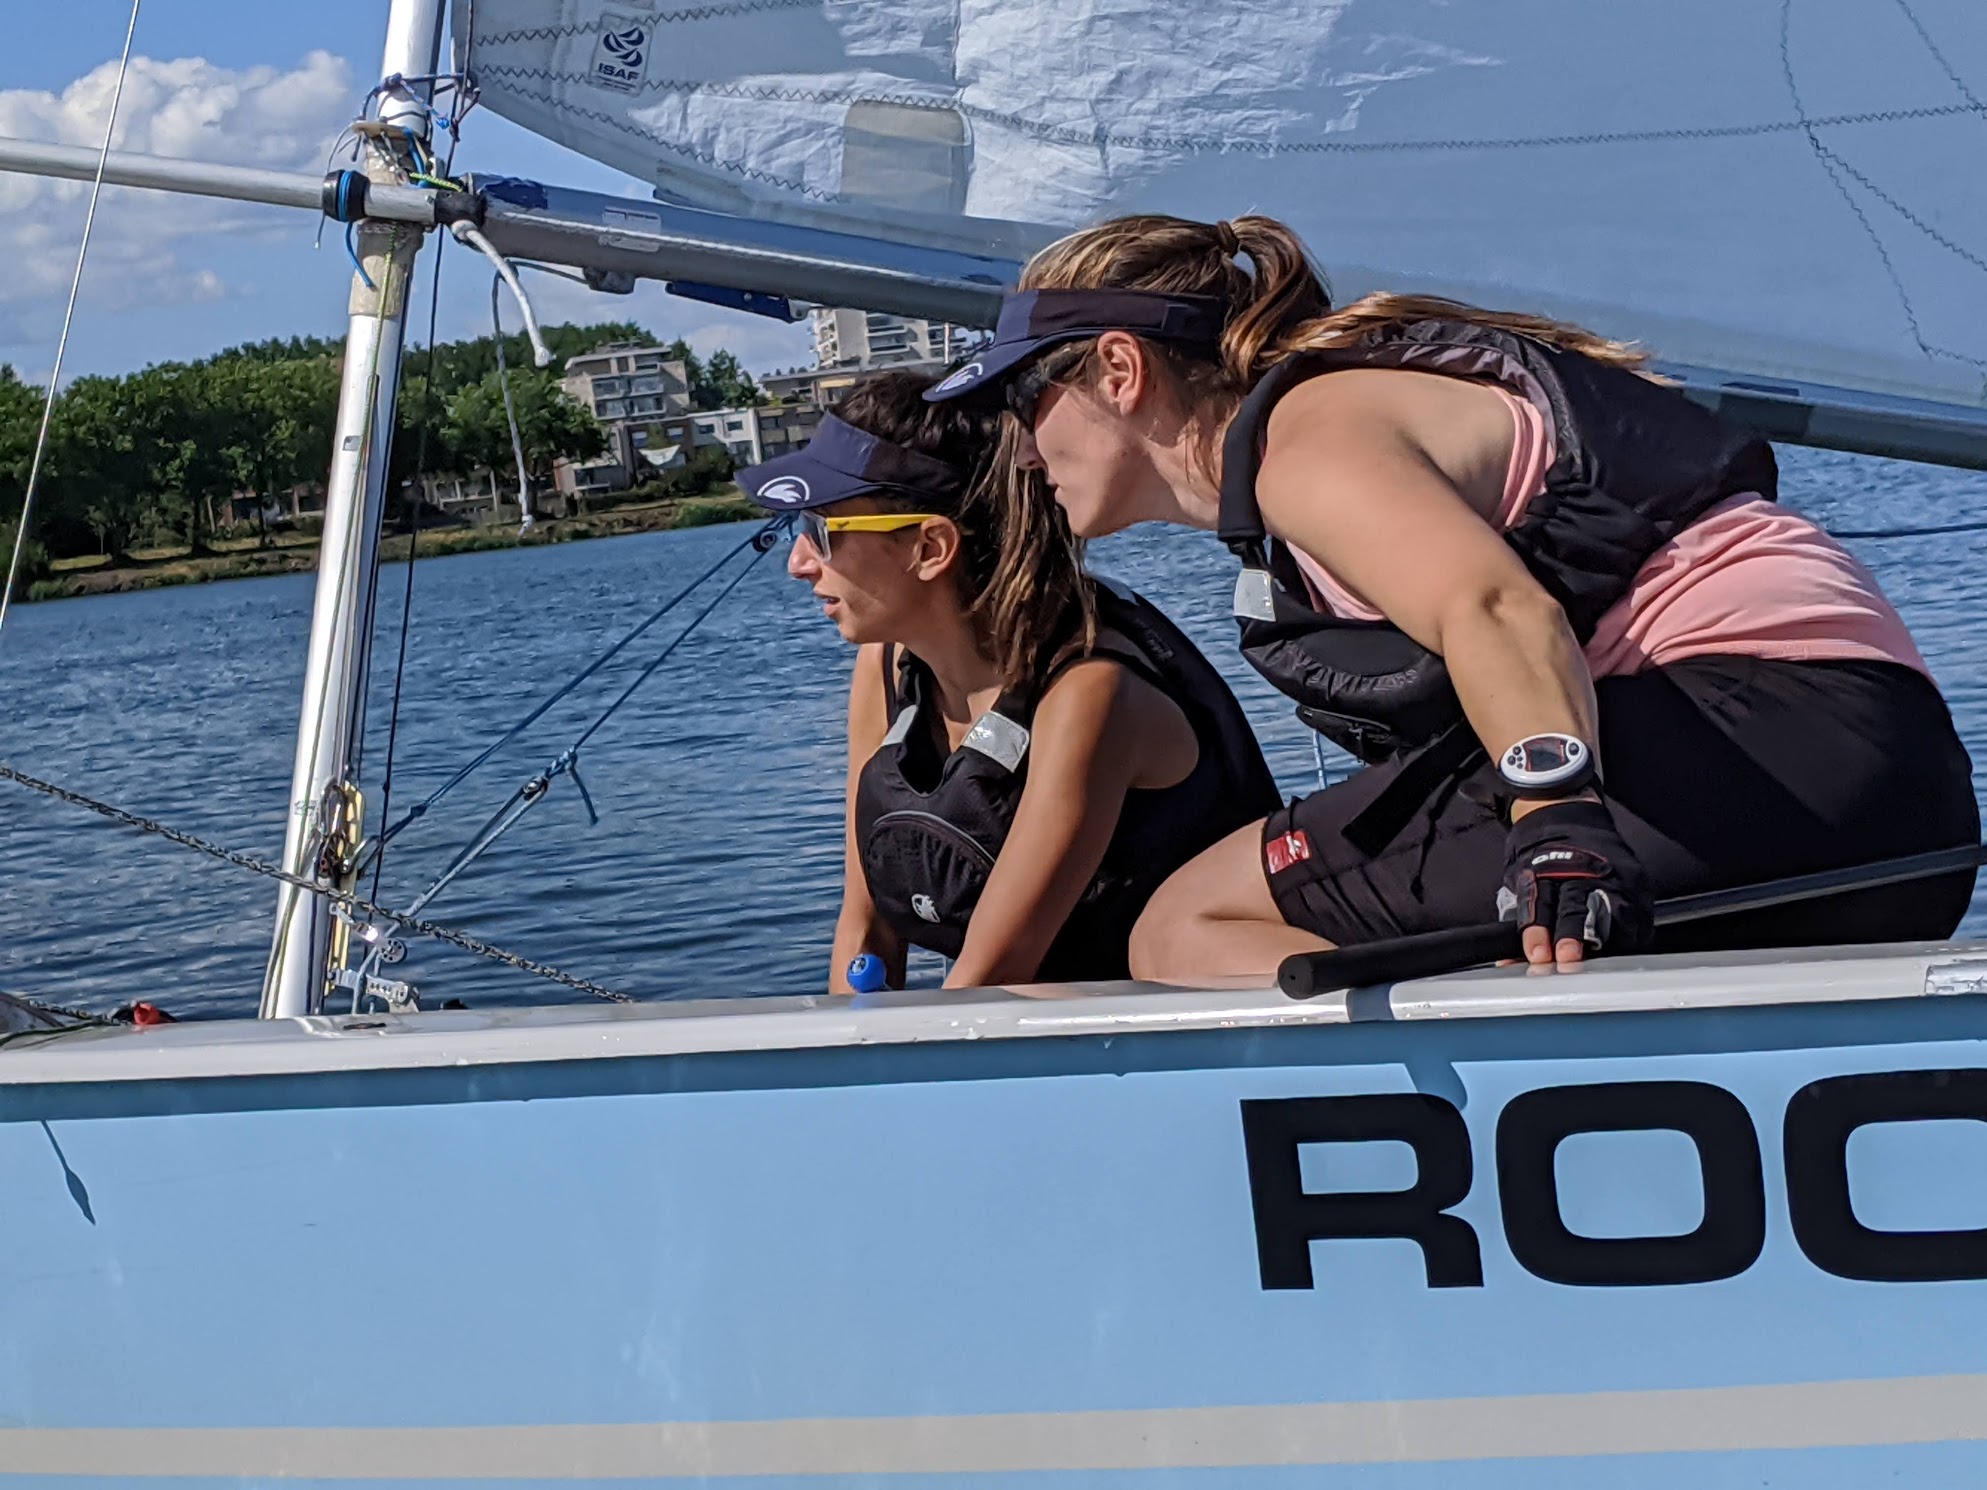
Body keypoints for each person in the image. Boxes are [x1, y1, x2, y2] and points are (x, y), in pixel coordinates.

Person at [926, 213, 1979, 980]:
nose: (1019, 449)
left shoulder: (1305, 438)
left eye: (1024, 397)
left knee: (1183, 926)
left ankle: (1468, 1121)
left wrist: (1555, 820)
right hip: (1904, 814)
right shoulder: (1358, 413)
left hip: (1749, 750)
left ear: (1119, 370)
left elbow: (1495, 609)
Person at [739, 370, 1279, 991]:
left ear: (930, 548)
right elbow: (866, 929)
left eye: (822, 534)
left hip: (1185, 1030)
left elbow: (990, 976)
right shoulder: (886, 667)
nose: (798, 564)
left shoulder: (1091, 695)